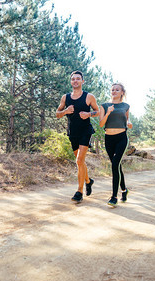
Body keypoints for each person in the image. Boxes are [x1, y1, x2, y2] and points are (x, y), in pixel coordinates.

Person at [56, 71, 99, 203]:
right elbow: (57, 114)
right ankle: (88, 180)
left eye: (78, 79)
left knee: (79, 160)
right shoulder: (65, 98)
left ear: (82, 81)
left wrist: (89, 114)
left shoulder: (89, 97)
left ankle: (79, 191)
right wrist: (65, 111)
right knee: (80, 161)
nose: (75, 81)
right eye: (73, 79)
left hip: (85, 131)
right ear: (71, 82)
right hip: (72, 132)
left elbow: (98, 111)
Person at [99, 82, 132, 207]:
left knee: (115, 164)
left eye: (117, 90)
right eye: (113, 89)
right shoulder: (104, 105)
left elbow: (127, 119)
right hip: (109, 138)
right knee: (116, 165)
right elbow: (101, 124)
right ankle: (124, 190)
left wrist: (129, 123)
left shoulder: (126, 106)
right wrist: (108, 112)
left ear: (122, 92)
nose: (114, 91)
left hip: (121, 138)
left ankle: (114, 196)